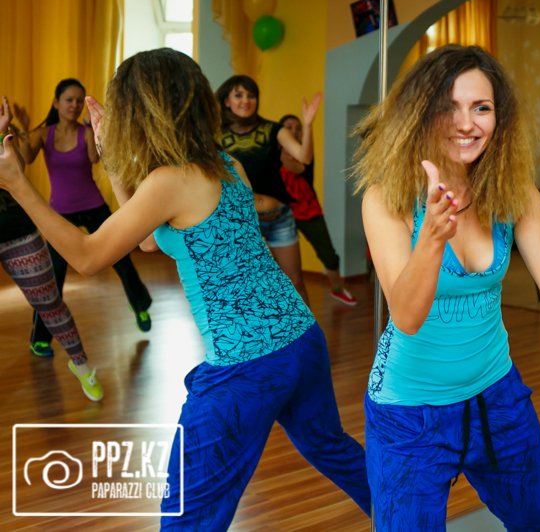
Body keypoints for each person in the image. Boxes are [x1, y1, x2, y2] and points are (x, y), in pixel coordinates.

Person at [0, 49, 371, 529]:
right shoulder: (226, 164)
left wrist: (18, 185)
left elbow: (88, 257)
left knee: (186, 516)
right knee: (333, 449)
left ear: (144, 113)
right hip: (300, 339)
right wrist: (111, 160)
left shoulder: (169, 182)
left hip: (244, 366)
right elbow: (149, 240)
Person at [352, 44, 540, 531]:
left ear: (499, 118)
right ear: (420, 111)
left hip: (497, 396)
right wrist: (432, 238)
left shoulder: (514, 194)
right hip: (410, 412)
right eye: (448, 106)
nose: (466, 123)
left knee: (538, 523)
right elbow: (406, 316)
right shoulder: (387, 199)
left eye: (481, 108)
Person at [14, 78, 152, 357]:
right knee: (54, 276)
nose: (75, 105)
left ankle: (139, 304)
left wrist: (95, 130)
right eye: (69, 100)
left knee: (121, 258)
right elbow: (26, 159)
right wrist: (25, 129)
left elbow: (94, 159)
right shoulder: (44, 133)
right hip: (61, 211)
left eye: (79, 100)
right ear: (56, 103)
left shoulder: (85, 133)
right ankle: (40, 337)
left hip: (93, 205)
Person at [0, 97, 103, 402]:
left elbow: (17, 172)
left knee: (50, 303)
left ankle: (82, 366)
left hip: (16, 228)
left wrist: (4, 130)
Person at [216, 75, 319, 305]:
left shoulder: (273, 129)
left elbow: (304, 157)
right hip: (240, 221)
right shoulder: (216, 135)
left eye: (251, 95)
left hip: (279, 218)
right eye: (239, 95)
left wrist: (308, 124)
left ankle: (308, 328)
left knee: (295, 282)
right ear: (226, 101)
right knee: (247, 286)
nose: (246, 100)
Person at [278, 111, 357, 306]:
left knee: (329, 255)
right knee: (283, 260)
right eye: (289, 128)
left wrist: (308, 126)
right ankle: (284, 298)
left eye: (298, 128)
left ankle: (337, 289)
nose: (294, 131)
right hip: (282, 212)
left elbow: (298, 167)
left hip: (308, 210)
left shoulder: (305, 154)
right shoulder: (270, 154)